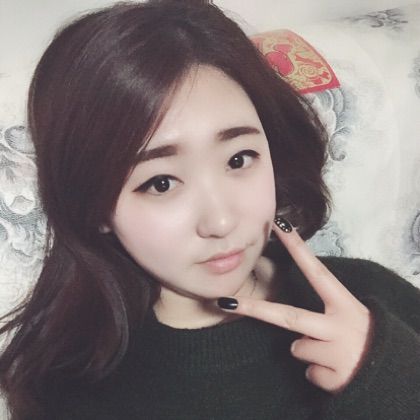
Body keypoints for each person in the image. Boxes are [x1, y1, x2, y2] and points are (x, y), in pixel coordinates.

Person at [1, 1, 419, 419]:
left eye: (239, 159)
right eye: (161, 183)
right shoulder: (71, 395)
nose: (220, 222)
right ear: (93, 207)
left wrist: (390, 378)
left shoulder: (367, 301)